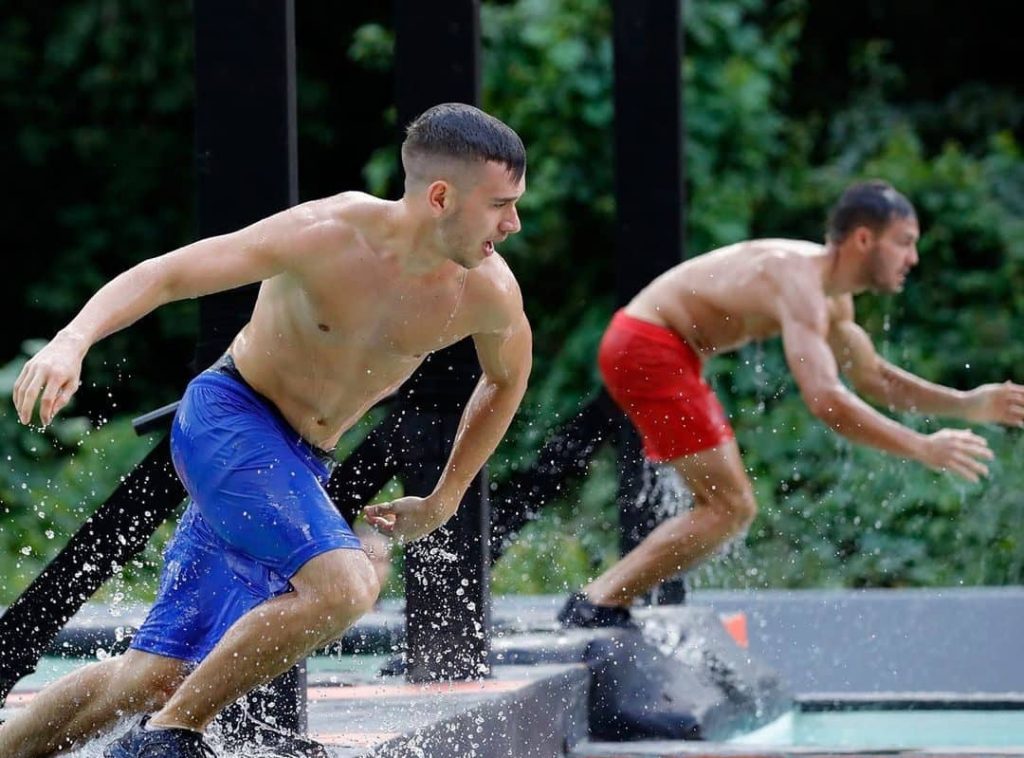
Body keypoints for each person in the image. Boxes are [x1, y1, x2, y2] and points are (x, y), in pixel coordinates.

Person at [1, 102, 531, 758]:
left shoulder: (489, 292)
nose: (513, 223)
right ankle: (169, 736)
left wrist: (447, 496)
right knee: (344, 586)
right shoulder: (327, 233)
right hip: (229, 417)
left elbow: (505, 380)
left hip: (300, 462)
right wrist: (71, 340)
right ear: (441, 196)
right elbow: (167, 275)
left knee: (153, 675)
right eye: (500, 204)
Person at [559, 179, 1024, 629]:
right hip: (648, 348)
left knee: (726, 506)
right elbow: (826, 401)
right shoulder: (798, 281)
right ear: (864, 239)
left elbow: (872, 378)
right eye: (904, 242)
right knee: (728, 507)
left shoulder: (833, 300)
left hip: (657, 349)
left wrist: (967, 404)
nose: (913, 258)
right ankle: (599, 601)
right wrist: (922, 447)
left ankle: (603, 599)